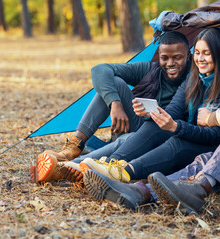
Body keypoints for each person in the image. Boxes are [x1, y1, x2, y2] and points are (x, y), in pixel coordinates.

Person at [83, 35, 220, 212]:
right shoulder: (211, 80)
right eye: (198, 53)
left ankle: (195, 187)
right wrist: (154, 114)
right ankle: (142, 191)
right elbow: (175, 111)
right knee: (204, 160)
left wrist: (210, 118)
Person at [80, 28, 220, 184]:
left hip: (211, 146)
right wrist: (151, 113)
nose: (200, 59)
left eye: (206, 53)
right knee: (157, 124)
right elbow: (173, 111)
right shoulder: (193, 79)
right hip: (189, 134)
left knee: (176, 142)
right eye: (197, 53)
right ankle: (111, 164)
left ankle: (125, 173)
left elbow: (217, 136)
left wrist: (176, 127)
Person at [30, 31, 191, 183]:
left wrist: (150, 116)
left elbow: (174, 114)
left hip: (166, 137)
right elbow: (100, 69)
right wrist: (115, 103)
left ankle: (67, 167)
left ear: (188, 56)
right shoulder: (152, 69)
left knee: (127, 139)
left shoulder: (194, 79)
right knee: (114, 82)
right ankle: (74, 146)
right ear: (159, 56)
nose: (170, 63)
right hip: (141, 124)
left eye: (177, 58)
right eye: (165, 58)